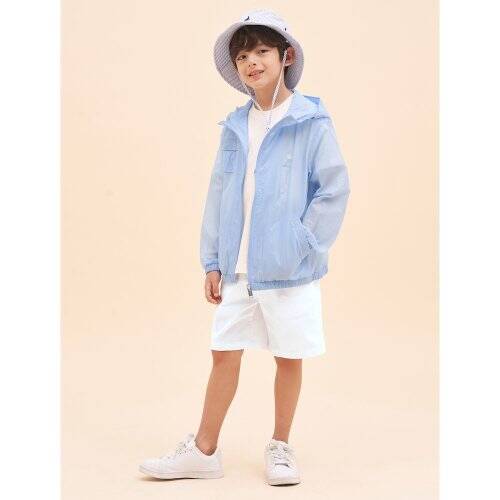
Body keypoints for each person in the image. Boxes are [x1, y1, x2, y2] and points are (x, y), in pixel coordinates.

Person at [139, 9, 350, 486]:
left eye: (261, 52)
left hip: (289, 268)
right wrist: (213, 261)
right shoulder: (236, 124)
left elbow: (334, 189)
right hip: (238, 267)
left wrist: (303, 243)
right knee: (224, 352)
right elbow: (219, 193)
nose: (252, 62)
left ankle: (280, 446)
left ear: (285, 56)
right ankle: (203, 450)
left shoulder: (310, 120)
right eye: (242, 57)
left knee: (288, 356)